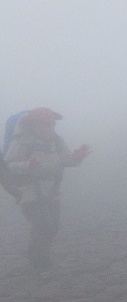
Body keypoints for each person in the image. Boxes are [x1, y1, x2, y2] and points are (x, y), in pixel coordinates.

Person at [3, 107, 91, 269]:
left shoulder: (57, 142)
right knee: (44, 225)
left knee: (52, 226)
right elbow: (9, 166)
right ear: (32, 126)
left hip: (52, 191)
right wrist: (27, 166)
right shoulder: (21, 142)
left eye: (49, 125)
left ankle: (39, 257)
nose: (46, 129)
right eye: (41, 125)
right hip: (29, 192)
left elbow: (65, 160)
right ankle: (38, 261)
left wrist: (77, 158)